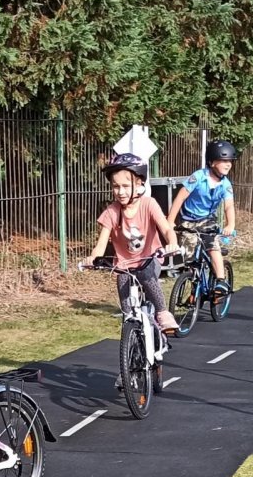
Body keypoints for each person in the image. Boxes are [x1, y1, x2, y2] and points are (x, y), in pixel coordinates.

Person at [81, 152, 180, 333]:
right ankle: (130, 327)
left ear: (139, 183)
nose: (120, 192)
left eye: (126, 186)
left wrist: (172, 243)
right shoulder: (112, 212)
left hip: (149, 259)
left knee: (146, 275)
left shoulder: (149, 204)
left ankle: (162, 312)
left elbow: (166, 229)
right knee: (123, 284)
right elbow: (101, 245)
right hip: (124, 265)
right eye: (116, 186)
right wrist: (93, 258)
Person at [168, 139, 237, 295]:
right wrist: (170, 221)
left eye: (230, 161)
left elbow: (229, 206)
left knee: (212, 246)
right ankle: (195, 292)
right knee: (190, 260)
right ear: (212, 162)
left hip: (207, 220)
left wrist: (230, 224)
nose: (228, 164)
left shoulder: (226, 184)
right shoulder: (198, 177)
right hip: (188, 220)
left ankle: (220, 280)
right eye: (224, 161)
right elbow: (180, 198)